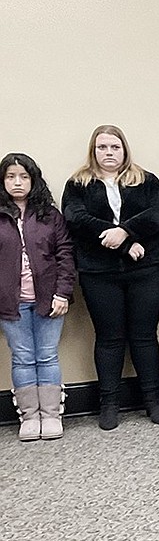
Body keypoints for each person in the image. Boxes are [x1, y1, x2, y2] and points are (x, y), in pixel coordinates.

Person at [61, 124, 159, 430]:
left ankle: (153, 400)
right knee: (109, 339)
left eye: (114, 147)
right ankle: (109, 402)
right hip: (99, 272)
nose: (108, 153)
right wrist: (125, 244)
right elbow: (75, 218)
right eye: (102, 147)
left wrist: (126, 231)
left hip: (147, 270)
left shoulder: (146, 180)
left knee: (145, 337)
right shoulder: (78, 183)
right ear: (93, 150)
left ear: (124, 149)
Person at [0, 153, 75, 441]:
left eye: (23, 176)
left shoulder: (49, 215)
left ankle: (51, 415)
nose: (17, 182)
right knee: (21, 358)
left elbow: (65, 255)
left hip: (49, 299)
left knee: (46, 356)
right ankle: (30, 417)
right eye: (10, 176)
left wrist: (63, 293)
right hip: (10, 302)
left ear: (33, 180)